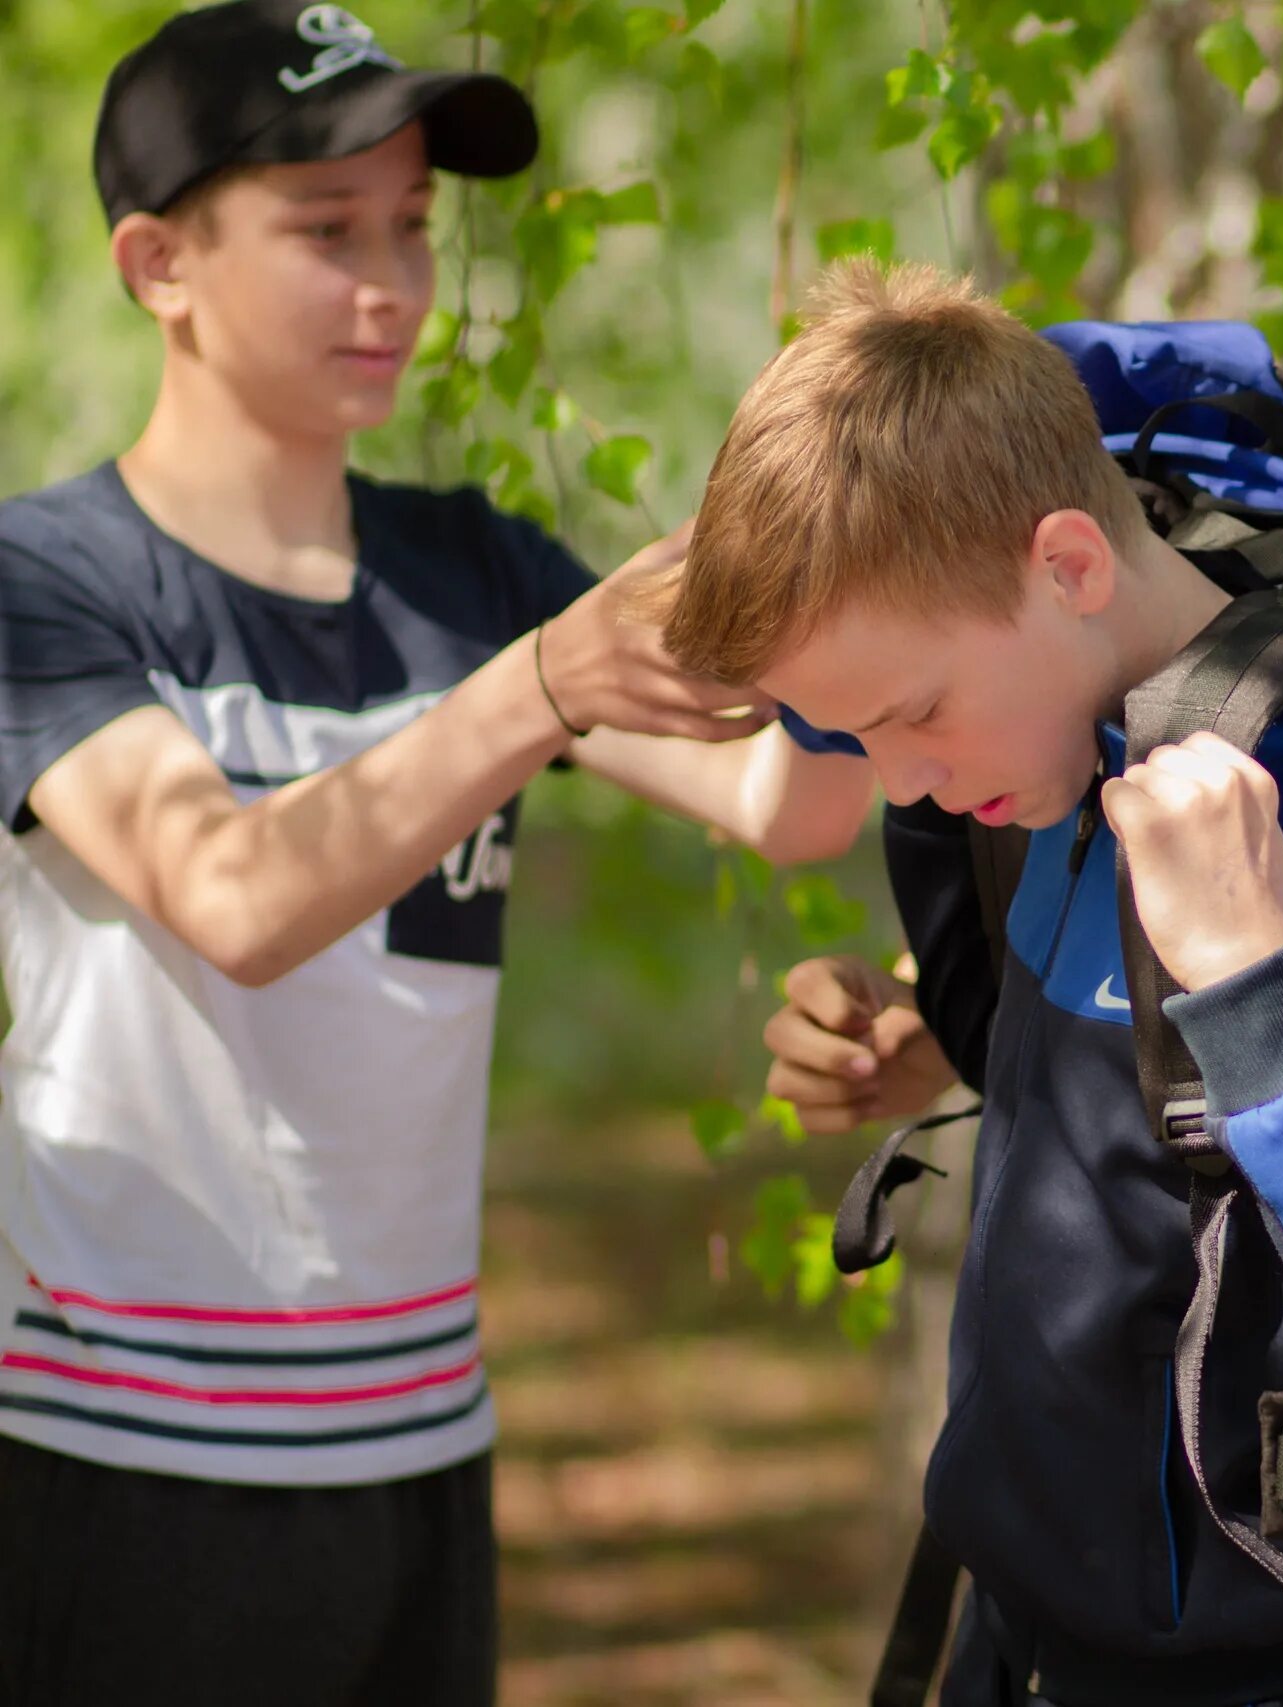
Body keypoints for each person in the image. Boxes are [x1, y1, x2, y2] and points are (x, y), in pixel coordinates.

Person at [0, 5, 886, 1700]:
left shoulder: (465, 570)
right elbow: (237, 900)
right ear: (157, 263)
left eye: (411, 225)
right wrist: (539, 686)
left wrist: (852, 556)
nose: (392, 282)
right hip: (125, 1453)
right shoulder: (48, 579)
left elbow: (796, 802)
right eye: (325, 232)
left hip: (417, 1439)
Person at [668, 255, 1283, 1706]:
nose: (895, 780)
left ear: (1072, 564)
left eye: (908, 719)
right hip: (1023, 1637)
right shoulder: (1062, 756)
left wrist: (1258, 999)